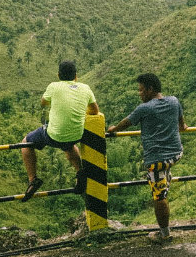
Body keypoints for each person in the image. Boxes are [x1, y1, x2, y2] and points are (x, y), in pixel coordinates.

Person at [107, 73, 186, 242]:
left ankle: (164, 235)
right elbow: (182, 125)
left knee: (159, 197)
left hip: (157, 161)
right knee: (163, 181)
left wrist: (112, 130)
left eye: (141, 90)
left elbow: (125, 123)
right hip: (176, 153)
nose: (139, 93)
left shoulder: (144, 108)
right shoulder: (174, 101)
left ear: (150, 89)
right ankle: (166, 180)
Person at [21, 60, 99, 202]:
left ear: (58, 75)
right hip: (76, 134)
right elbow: (95, 111)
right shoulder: (86, 88)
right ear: (76, 76)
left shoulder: (53, 86)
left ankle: (33, 179)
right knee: (69, 146)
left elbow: (43, 103)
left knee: (26, 143)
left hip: (54, 135)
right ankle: (80, 172)